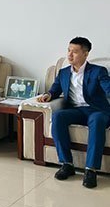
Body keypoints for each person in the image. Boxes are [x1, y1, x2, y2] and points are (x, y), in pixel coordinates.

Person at [38, 37, 110, 189]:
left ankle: (90, 170)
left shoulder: (98, 71)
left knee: (97, 120)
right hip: (76, 110)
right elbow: (55, 89)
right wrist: (48, 95)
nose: (70, 55)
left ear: (85, 54)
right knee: (58, 116)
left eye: (75, 52)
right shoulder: (64, 72)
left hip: (96, 110)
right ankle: (67, 164)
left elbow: (108, 88)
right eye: (69, 50)